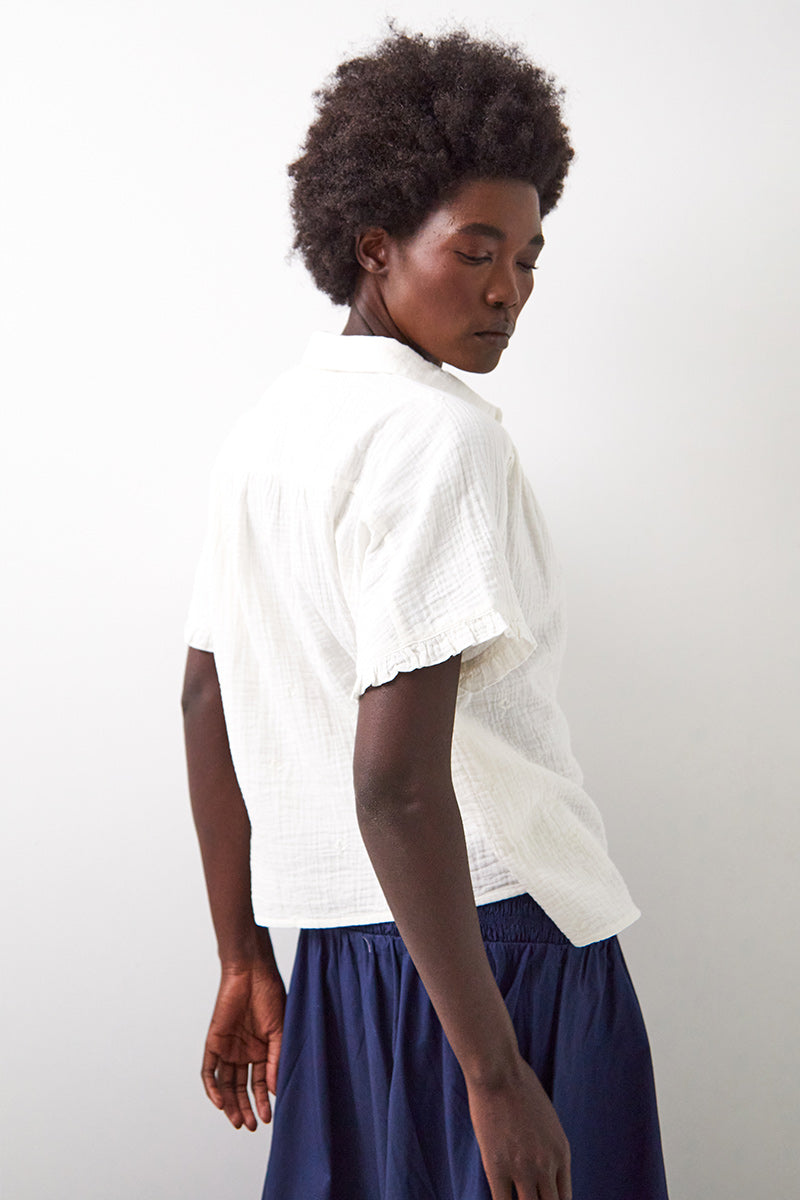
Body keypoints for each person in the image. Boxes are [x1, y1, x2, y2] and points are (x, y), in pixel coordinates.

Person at [181, 28, 669, 1200]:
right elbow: (395, 784)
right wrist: (493, 1077)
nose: (508, 290)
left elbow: (205, 696)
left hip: (345, 963)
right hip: (492, 957)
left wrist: (242, 953)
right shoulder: (437, 438)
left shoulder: (265, 435)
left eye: (528, 258)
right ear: (374, 246)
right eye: (475, 250)